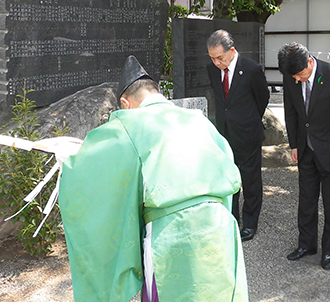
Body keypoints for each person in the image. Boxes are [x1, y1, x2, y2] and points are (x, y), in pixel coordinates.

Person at [59, 55, 249, 302]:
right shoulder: (197, 120)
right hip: (220, 227)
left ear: (125, 103)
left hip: (173, 235)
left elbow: (95, 172)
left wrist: (68, 162)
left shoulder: (129, 124)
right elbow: (229, 172)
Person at [277, 42, 330, 270]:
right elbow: (290, 112)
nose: (298, 80)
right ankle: (306, 244)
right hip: (305, 149)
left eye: (301, 75)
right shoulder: (291, 76)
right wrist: (293, 144)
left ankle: (329, 250)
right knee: (306, 200)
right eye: (294, 77)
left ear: (310, 61)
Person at [206, 29, 270, 242]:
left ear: (231, 51)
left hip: (248, 134)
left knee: (250, 181)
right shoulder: (213, 70)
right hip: (225, 134)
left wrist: (248, 120)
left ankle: (250, 224)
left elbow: (262, 98)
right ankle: (231, 219)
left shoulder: (251, 69)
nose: (216, 62)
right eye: (212, 58)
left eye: (220, 58)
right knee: (227, 179)